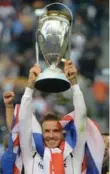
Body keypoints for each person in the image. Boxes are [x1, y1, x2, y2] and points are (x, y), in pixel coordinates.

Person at [2, 60, 105, 174]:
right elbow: (23, 121)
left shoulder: (73, 155)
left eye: (55, 130)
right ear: (41, 134)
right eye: (47, 131)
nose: (51, 135)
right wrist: (30, 84)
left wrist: (74, 83)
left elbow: (81, 116)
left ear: (62, 133)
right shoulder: (32, 155)